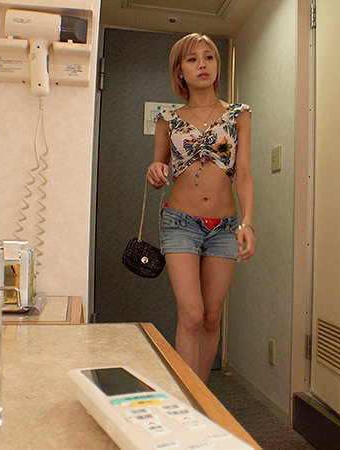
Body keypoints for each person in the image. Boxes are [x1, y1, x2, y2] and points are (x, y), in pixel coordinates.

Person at [146, 33, 255, 383]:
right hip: (180, 223)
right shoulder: (167, 118)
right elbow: (159, 168)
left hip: (224, 226)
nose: (202, 65)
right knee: (192, 315)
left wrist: (247, 223)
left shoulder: (238, 115)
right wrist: (155, 171)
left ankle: (201, 396)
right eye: (192, 59)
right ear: (180, 71)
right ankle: (187, 396)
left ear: (217, 66)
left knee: (211, 316)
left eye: (208, 57)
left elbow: (244, 174)